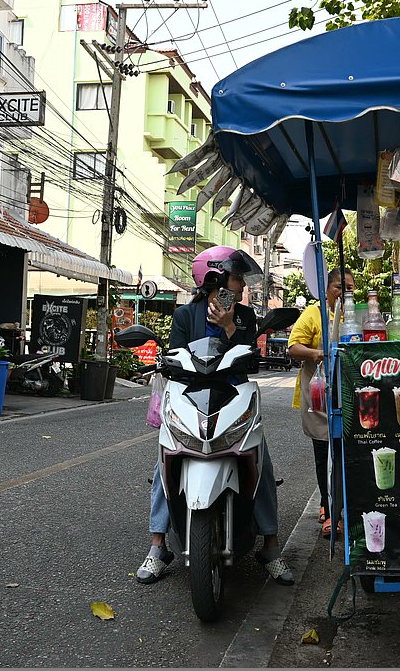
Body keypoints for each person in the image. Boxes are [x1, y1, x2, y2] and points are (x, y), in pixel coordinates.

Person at [135, 245, 295, 587]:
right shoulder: (184, 315)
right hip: (192, 397)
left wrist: (229, 328)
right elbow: (173, 359)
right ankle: (158, 545)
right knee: (165, 463)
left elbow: (252, 355)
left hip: (234, 397)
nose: (240, 286)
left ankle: (269, 545)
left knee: (261, 465)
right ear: (215, 277)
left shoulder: (245, 316)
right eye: (236, 278)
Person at [287, 268, 355, 538]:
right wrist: (317, 352)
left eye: (350, 287)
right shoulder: (313, 315)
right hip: (318, 398)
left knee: (345, 456)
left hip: (348, 396)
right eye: (340, 287)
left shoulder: (355, 314)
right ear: (326, 289)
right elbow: (293, 347)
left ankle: (343, 507)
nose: (345, 292)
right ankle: (329, 510)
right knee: (324, 455)